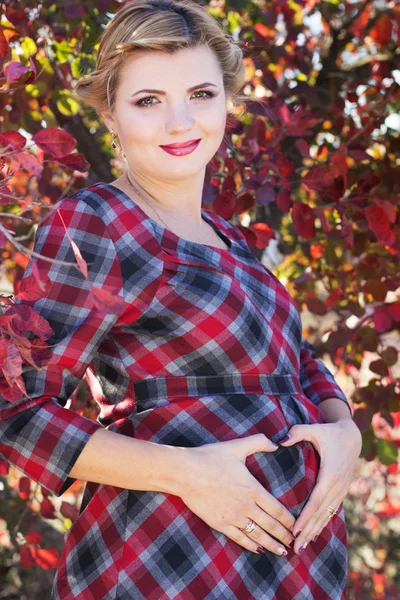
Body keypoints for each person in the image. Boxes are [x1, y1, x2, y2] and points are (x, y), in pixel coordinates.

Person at [0, 1, 362, 598]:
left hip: (296, 570)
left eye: (201, 93)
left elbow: (296, 363)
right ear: (109, 112)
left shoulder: (236, 242)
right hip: (167, 560)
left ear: (227, 101)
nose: (180, 122)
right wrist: (189, 473)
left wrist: (344, 434)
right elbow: (15, 409)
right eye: (148, 100)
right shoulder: (96, 224)